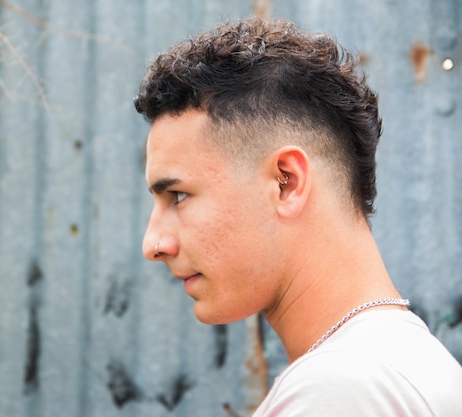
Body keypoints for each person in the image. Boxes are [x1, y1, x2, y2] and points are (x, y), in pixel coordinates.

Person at [134, 16, 462, 416]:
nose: (154, 244)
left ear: (285, 182)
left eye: (179, 195)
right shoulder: (406, 360)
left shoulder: (339, 389)